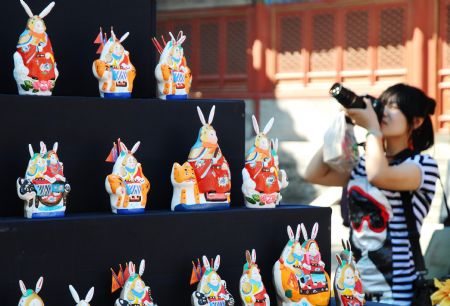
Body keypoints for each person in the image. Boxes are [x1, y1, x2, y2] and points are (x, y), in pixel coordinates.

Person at [304, 83, 439, 305]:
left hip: (397, 296)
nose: (384, 111)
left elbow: (379, 175)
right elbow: (314, 173)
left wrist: (373, 130)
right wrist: (345, 122)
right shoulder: (363, 164)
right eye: (382, 104)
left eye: (393, 107)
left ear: (417, 121)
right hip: (352, 290)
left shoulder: (422, 165)